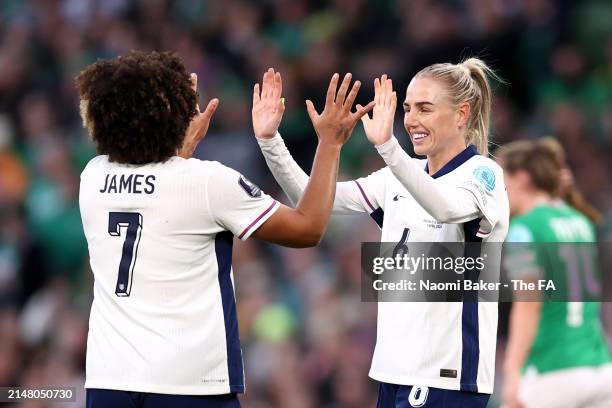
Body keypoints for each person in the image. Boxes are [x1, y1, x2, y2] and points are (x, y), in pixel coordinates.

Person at [76, 51, 374, 408]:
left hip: (109, 380)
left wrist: (179, 146)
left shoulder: (92, 177)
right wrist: (330, 142)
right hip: (189, 384)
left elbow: (158, 189)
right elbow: (308, 229)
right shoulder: (207, 182)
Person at [254, 59, 509, 407]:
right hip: (393, 375)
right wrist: (270, 140)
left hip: (445, 379)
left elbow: (445, 208)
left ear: (461, 114)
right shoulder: (395, 179)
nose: (412, 120)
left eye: (425, 109)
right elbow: (312, 199)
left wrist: (388, 147)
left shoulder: (483, 175)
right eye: (407, 108)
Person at [498, 138, 612, 408]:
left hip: (552, 370)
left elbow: (529, 302)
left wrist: (512, 371)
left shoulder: (525, 229)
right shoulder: (580, 221)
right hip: (599, 367)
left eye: (501, 181)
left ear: (522, 178)